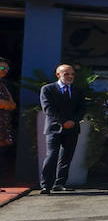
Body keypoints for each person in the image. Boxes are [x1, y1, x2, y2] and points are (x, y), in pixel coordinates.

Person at [39, 64, 86, 193]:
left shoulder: (78, 90)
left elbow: (82, 108)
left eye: (72, 74)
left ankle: (60, 184)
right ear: (58, 74)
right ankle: (45, 185)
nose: (70, 77)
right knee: (52, 155)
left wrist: (73, 121)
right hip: (54, 128)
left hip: (72, 128)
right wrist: (62, 122)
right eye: (66, 74)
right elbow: (48, 108)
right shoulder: (47, 89)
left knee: (66, 157)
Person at [0, 58, 15, 166]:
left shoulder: (3, 85)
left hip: (2, 126)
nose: (5, 70)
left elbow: (12, 105)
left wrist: (5, 104)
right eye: (2, 67)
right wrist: (4, 104)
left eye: (7, 68)